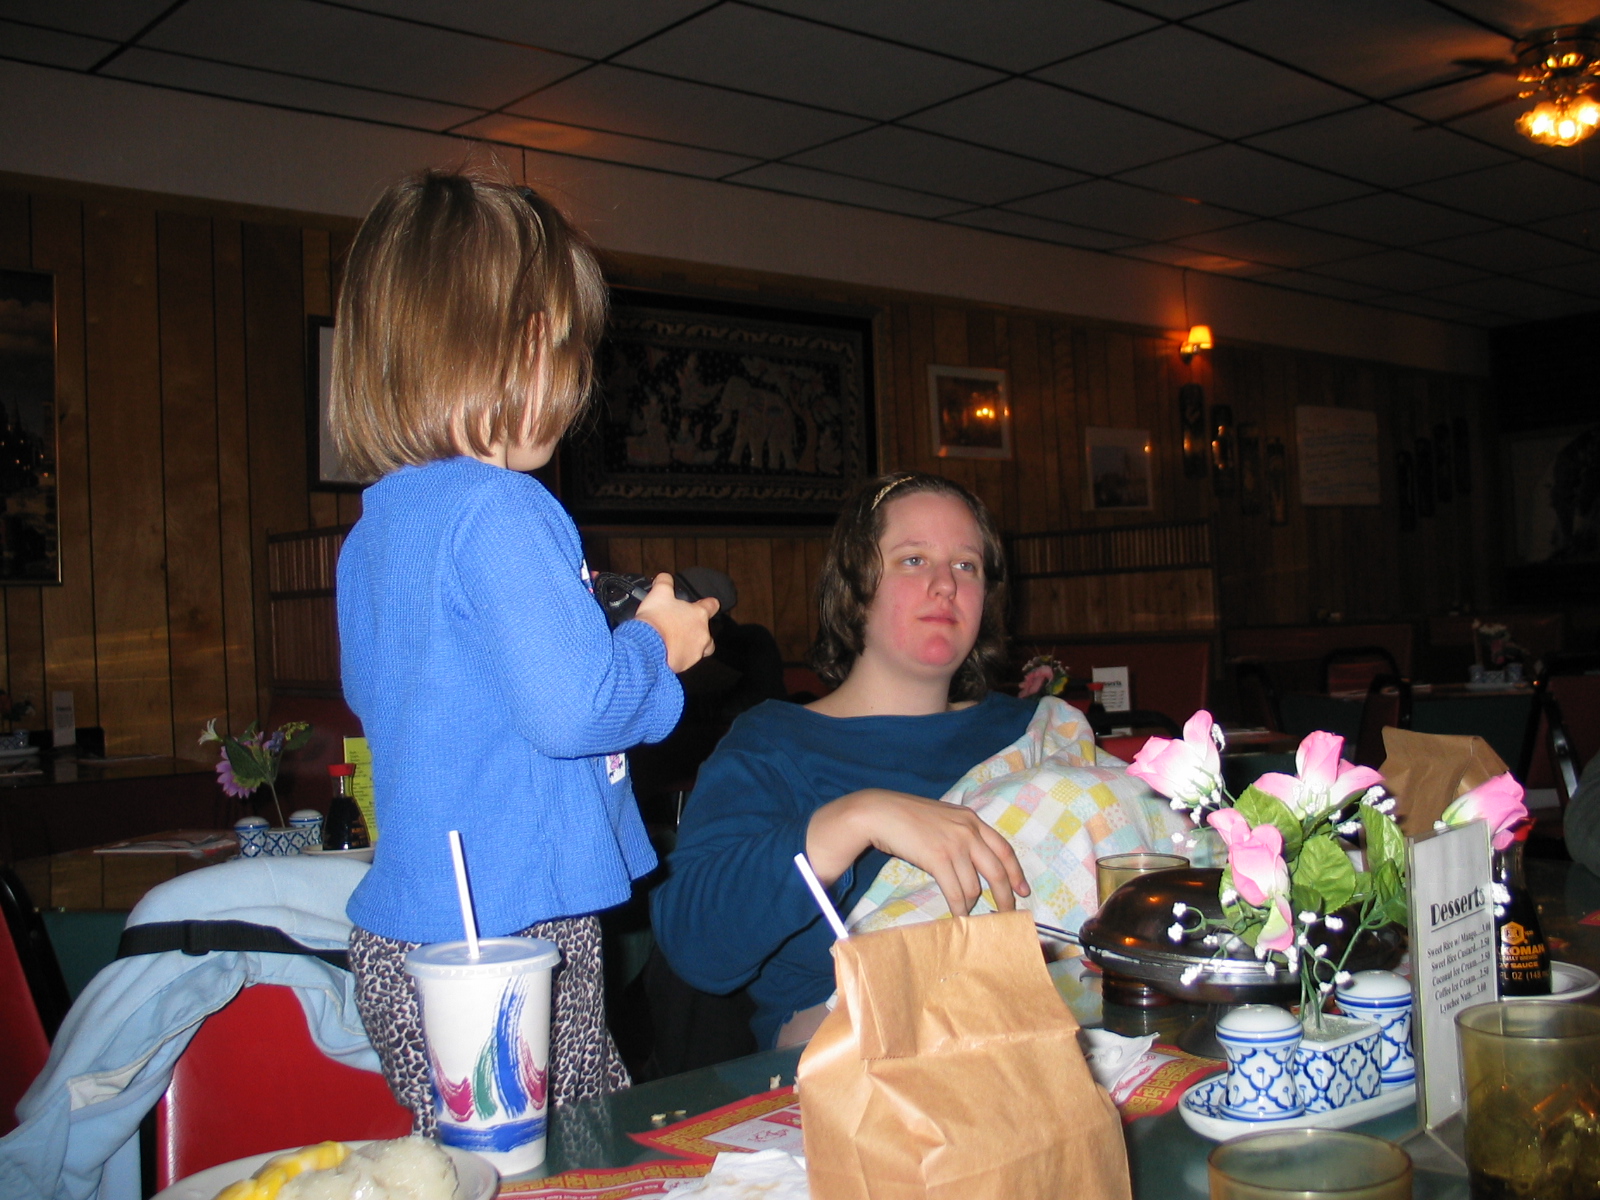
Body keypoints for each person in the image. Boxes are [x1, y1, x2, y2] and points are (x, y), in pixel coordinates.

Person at [330, 167, 718, 1129]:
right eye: (572, 349)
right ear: (525, 340)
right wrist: (657, 646)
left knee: (484, 1165)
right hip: (507, 937)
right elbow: (575, 708)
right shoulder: (502, 507)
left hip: (406, 938)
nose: (581, 384)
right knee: (579, 1160)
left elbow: (390, 699)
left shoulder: (374, 531)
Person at [650, 471, 1034, 1050]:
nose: (945, 585)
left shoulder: (1030, 731)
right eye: (913, 560)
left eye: (966, 565)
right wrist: (856, 818)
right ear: (856, 588)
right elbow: (692, 941)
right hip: (856, 1071)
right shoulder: (773, 745)